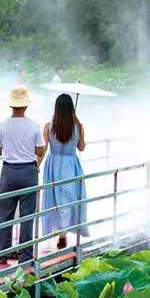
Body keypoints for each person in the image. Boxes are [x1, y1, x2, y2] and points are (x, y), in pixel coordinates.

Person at [0, 86, 46, 266]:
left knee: (6, 214)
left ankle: (2, 253)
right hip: (28, 172)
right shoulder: (34, 126)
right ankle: (25, 256)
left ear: (11, 105)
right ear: (26, 106)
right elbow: (39, 150)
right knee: (26, 215)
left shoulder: (1, 126)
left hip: (8, 171)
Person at [42, 94, 88, 250]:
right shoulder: (78, 126)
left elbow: (43, 149)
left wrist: (36, 164)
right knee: (69, 197)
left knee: (54, 199)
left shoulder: (49, 126)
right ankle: (64, 232)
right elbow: (81, 147)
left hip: (53, 164)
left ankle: (60, 232)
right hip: (71, 164)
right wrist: (80, 133)